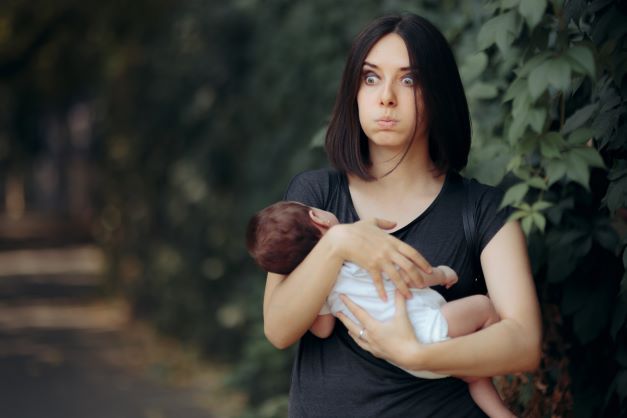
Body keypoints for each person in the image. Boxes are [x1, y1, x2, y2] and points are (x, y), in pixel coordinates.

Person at [263, 13, 541, 418]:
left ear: (438, 92)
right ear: (353, 92)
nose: (386, 97)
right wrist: (339, 243)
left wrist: (418, 354)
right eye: (371, 78)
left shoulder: (483, 211)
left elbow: (524, 343)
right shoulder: (315, 197)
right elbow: (279, 328)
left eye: (409, 80)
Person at [247, 201, 515, 417]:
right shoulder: (361, 255)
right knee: (484, 306)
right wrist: (443, 273)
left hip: (401, 358)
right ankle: (494, 384)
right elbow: (412, 275)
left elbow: (323, 329)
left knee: (473, 378)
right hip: (429, 328)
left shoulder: (320, 288)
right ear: (318, 216)